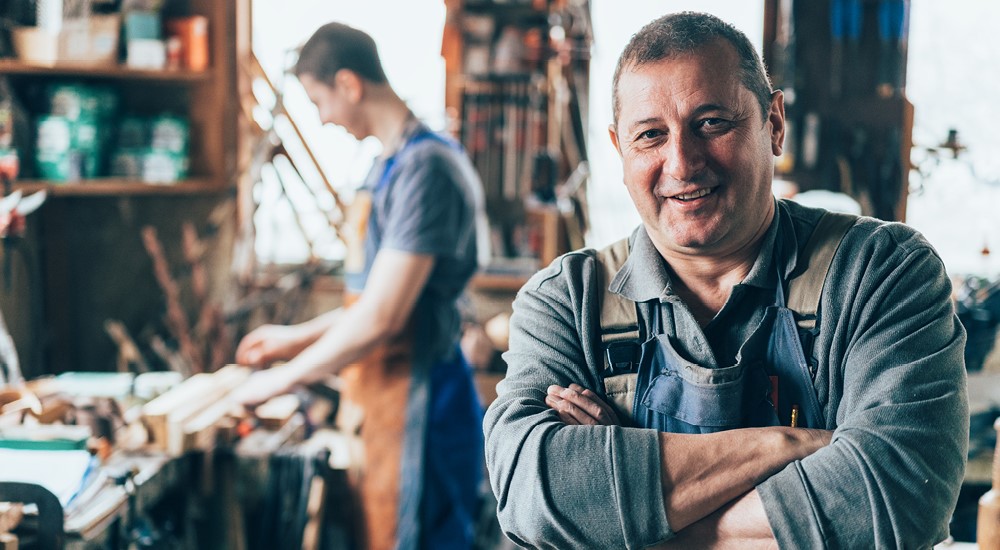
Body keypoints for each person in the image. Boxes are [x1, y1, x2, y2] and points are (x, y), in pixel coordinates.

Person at [484, 11, 968, 549]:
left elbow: (897, 498)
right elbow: (532, 496)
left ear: (774, 123)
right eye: (650, 136)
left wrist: (625, 518)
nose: (683, 163)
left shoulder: (879, 271)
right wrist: (785, 445)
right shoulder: (566, 301)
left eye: (711, 122)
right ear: (620, 150)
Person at [231, 22, 488, 550]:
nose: (322, 118)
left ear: (349, 84)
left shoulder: (426, 170)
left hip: (422, 402)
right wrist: (292, 336)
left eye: (319, 100)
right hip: (383, 393)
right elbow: (371, 300)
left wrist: (277, 382)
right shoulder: (389, 165)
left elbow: (384, 318)